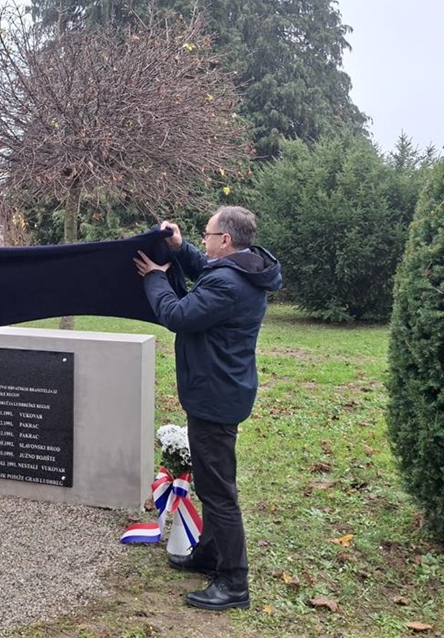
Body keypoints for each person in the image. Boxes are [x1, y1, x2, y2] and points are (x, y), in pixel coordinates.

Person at [133, 205, 281, 611]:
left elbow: (176, 314)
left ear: (226, 240)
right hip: (221, 390)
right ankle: (210, 555)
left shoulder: (230, 285)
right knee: (213, 483)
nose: (206, 239)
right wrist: (182, 248)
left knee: (218, 493)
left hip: (215, 397)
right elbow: (209, 268)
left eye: (208, 234)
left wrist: (157, 279)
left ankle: (234, 582)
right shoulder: (243, 270)